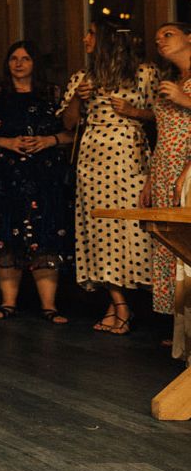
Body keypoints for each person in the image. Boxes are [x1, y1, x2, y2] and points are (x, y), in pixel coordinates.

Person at [59, 21, 158, 334]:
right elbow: (69, 122)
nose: (84, 37)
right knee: (99, 227)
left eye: (90, 33)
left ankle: (123, 306)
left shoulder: (143, 73)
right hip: (93, 156)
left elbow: (163, 114)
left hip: (129, 153)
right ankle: (118, 304)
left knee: (130, 226)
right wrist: (78, 98)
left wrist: (133, 111)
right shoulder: (82, 77)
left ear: (105, 40)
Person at [0, 41, 73, 324]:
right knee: (7, 235)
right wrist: (7, 141)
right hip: (5, 174)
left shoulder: (52, 94)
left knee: (45, 234)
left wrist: (47, 140)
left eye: (25, 58)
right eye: (13, 58)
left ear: (34, 63)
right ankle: (8, 303)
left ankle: (49, 306)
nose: (18, 63)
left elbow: (72, 133)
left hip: (44, 174)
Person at [141, 22, 191, 330]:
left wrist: (185, 100)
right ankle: (180, 329)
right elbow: (163, 132)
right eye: (157, 38)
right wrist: (150, 177)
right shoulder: (170, 80)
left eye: (168, 34)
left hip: (188, 167)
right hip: (164, 167)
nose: (160, 41)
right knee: (169, 244)